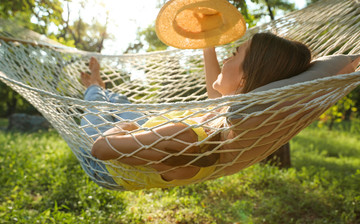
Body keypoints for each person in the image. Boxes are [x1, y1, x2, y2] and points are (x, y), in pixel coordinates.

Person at [80, 32, 360, 190]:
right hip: (145, 134)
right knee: (119, 101)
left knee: (97, 102)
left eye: (235, 53)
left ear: (244, 80)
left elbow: (100, 148)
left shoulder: (185, 138)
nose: (227, 57)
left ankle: (94, 85)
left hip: (102, 160)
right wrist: (207, 44)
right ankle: (104, 90)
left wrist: (127, 128)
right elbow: (219, 96)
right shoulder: (226, 129)